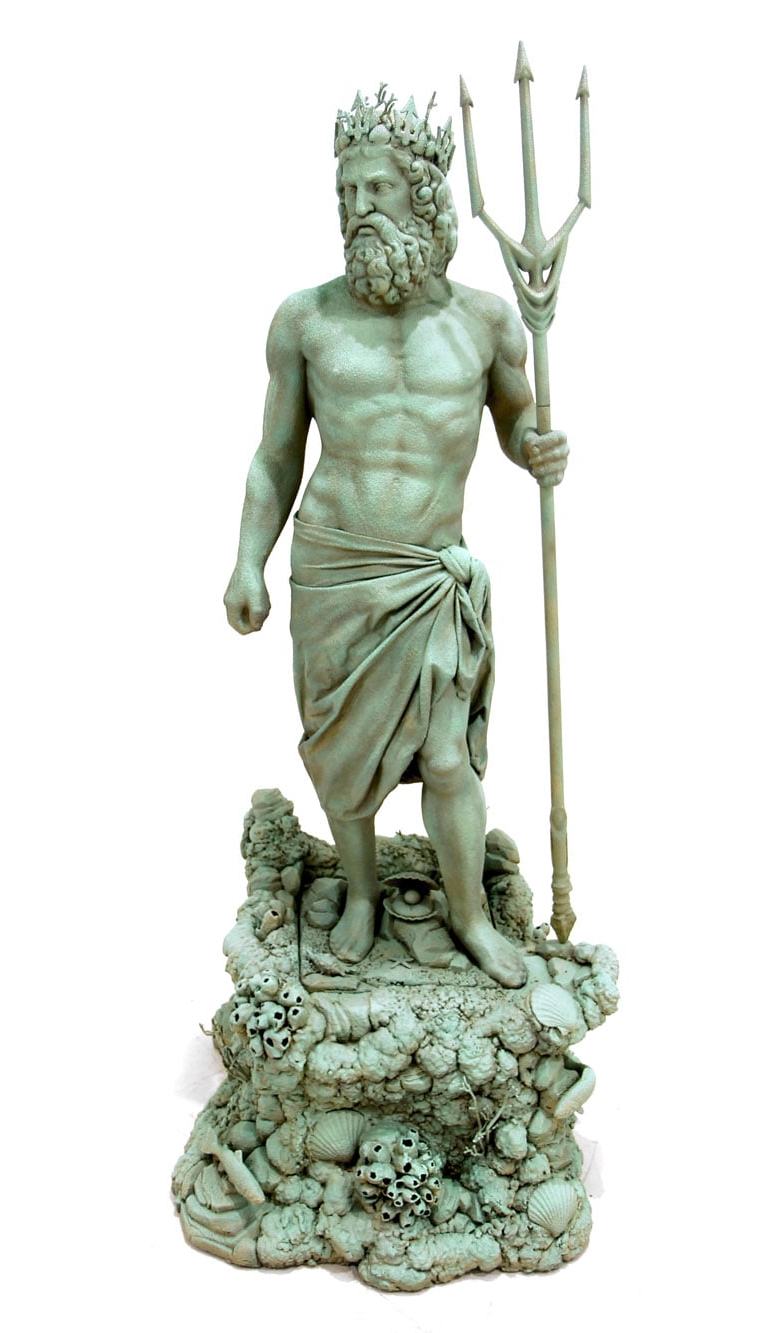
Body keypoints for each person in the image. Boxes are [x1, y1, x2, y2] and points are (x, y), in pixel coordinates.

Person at [224, 89, 568, 987]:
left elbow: (516, 420)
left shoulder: (485, 321)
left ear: (423, 197)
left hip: (429, 577)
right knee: (341, 761)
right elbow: (274, 457)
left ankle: (469, 915)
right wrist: (247, 560)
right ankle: (363, 894)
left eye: (375, 188)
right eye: (346, 192)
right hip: (335, 568)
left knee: (448, 757)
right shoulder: (306, 320)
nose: (357, 208)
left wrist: (535, 446)